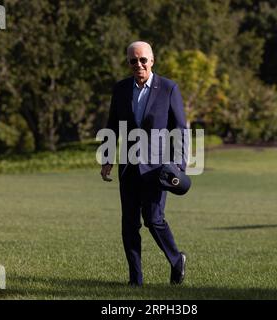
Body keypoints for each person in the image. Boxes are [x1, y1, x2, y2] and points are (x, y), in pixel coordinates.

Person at [100, 41, 187, 287]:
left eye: (142, 60)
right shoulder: (120, 89)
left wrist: (178, 164)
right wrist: (107, 158)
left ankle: (176, 259)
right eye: (133, 61)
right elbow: (112, 125)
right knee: (129, 224)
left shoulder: (168, 88)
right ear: (128, 63)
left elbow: (179, 129)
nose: (138, 64)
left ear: (152, 60)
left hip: (158, 169)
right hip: (128, 167)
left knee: (153, 219)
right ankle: (135, 279)